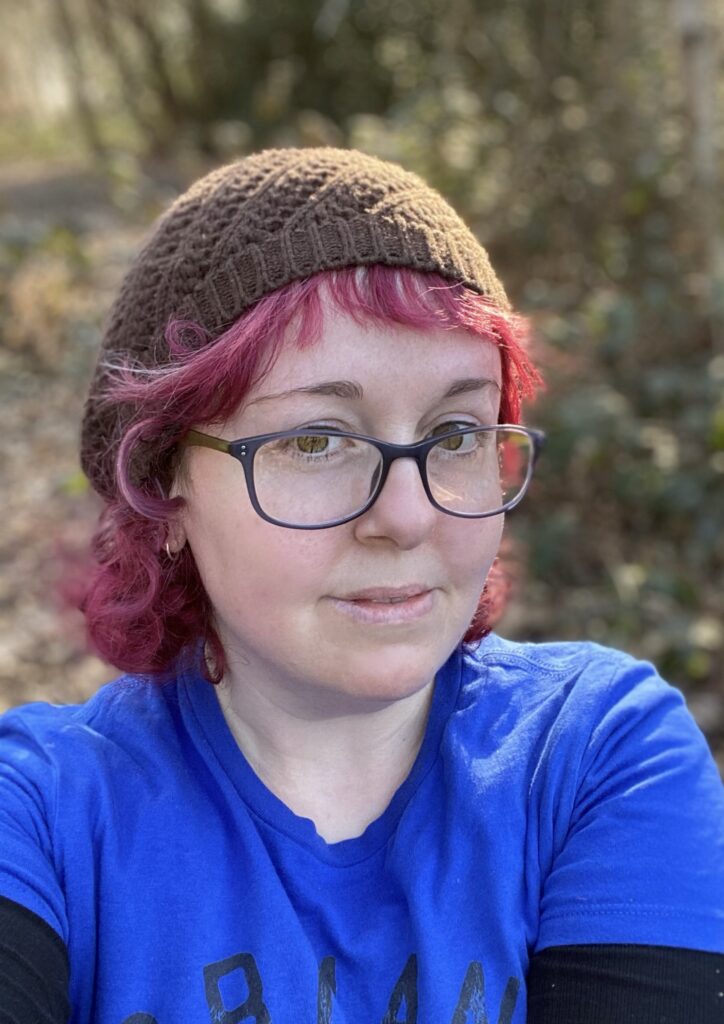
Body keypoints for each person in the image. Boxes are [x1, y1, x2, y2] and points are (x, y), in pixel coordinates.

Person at [0, 147, 722, 1024]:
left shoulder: (592, 757)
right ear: (166, 491)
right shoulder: (42, 816)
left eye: (457, 432)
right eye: (315, 440)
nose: (410, 516)